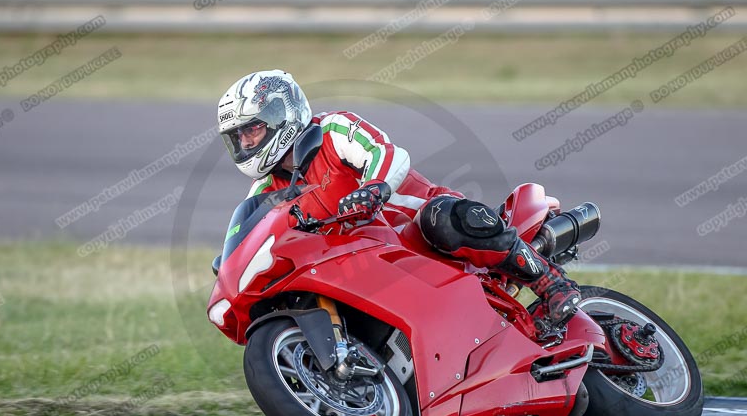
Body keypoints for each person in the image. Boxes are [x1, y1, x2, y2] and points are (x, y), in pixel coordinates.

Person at [217, 70, 580, 329]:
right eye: (239, 137)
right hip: (362, 259)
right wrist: (229, 264)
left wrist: (374, 187)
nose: (247, 143)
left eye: (253, 129)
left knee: (442, 218)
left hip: (416, 230)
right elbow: (256, 233)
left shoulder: (332, 130)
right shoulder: (265, 190)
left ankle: (550, 282)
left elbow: (387, 154)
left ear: (282, 113)